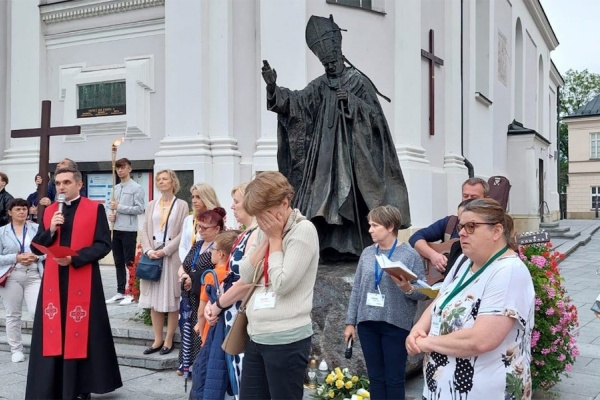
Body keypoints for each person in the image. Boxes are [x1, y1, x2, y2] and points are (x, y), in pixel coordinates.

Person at [261, 15, 410, 260]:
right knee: (322, 199)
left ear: (339, 53)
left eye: (332, 61)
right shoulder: (321, 84)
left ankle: (354, 247)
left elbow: (376, 119)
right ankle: (326, 246)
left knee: (350, 198)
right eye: (325, 63)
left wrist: (351, 102)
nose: (329, 67)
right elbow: (298, 103)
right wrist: (273, 88)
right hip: (323, 158)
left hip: (352, 158)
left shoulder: (357, 81)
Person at [406, 198, 535, 400]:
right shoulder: (464, 262)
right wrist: (418, 329)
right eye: (461, 226)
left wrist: (427, 342)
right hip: (439, 391)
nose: (462, 232)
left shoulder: (508, 271)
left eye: (471, 226)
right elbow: (440, 299)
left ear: (497, 231)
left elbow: (482, 340)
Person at [25, 167, 122, 400]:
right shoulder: (49, 212)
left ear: (79, 185)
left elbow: (103, 245)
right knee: (54, 332)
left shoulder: (94, 208)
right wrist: (50, 229)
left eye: (66, 182)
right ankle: (52, 384)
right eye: (58, 183)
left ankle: (80, 386)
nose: (61, 186)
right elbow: (35, 246)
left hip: (83, 280)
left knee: (83, 333)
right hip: (53, 282)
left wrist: (74, 258)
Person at [238, 171, 319, 400]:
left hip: (286, 339)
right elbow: (245, 273)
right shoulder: (270, 231)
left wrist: (275, 240)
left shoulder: (303, 231)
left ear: (284, 203)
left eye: (265, 214)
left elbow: (282, 283)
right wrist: (268, 239)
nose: (261, 221)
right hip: (257, 337)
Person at [344, 205, 427, 400]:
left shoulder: (409, 255)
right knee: (375, 378)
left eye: (375, 225)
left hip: (395, 324)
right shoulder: (366, 253)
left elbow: (423, 294)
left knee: (394, 379)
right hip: (367, 323)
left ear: (390, 227)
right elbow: (357, 288)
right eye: (370, 225)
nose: (370, 230)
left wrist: (407, 288)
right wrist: (350, 322)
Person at [203, 183, 259, 396]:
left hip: (241, 314)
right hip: (231, 311)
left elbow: (246, 281)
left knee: (243, 374)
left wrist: (217, 305)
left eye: (237, 201)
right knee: (234, 374)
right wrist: (214, 301)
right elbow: (230, 275)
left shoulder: (256, 234)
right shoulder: (246, 233)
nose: (232, 207)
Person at [138, 169, 188, 356]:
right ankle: (157, 339)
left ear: (173, 182)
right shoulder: (152, 204)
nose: (161, 182)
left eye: (164, 179)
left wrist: (165, 250)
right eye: (158, 179)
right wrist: (149, 250)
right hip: (152, 256)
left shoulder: (181, 204)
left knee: (171, 300)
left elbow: (183, 232)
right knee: (154, 300)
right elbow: (144, 229)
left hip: (170, 256)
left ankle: (169, 340)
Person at [191, 229, 241, 400]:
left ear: (220, 253)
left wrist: (201, 326)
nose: (210, 251)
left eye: (213, 249)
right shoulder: (231, 274)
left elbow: (201, 310)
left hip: (211, 334)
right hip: (232, 335)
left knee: (205, 377)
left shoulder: (212, 276)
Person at [177, 207, 226, 375]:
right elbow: (182, 266)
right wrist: (184, 275)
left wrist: (193, 279)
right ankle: (186, 365)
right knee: (188, 329)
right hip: (189, 296)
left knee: (201, 331)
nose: (200, 231)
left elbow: (217, 270)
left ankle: (199, 367)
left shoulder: (219, 247)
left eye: (205, 228)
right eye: (198, 227)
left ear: (217, 229)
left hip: (204, 296)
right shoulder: (197, 245)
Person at [409, 177, 489, 274]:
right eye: (465, 196)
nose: (468, 200)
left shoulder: (490, 227)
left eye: (473, 197)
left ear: (486, 199)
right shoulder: (450, 222)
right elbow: (415, 237)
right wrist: (433, 256)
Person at [0, 198, 45, 363]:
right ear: (10, 212)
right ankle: (16, 349)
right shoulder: (2, 232)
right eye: (18, 209)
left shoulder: (37, 228)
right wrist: (16, 258)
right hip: (12, 275)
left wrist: (36, 257)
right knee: (13, 314)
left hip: (33, 274)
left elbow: (47, 250)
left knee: (37, 311)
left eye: (24, 209)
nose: (22, 212)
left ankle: (40, 346)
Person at [105, 158, 145, 305]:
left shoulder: (136, 188)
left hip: (129, 230)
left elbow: (140, 208)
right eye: (118, 168)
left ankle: (131, 292)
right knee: (118, 261)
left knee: (129, 262)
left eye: (123, 168)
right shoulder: (116, 188)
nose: (120, 170)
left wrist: (120, 207)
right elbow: (110, 206)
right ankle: (120, 291)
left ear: (130, 169)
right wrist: (111, 214)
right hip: (116, 228)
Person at [178, 182, 222, 263]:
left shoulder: (216, 220)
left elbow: (217, 245)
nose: (194, 201)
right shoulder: (188, 219)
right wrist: (186, 263)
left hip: (206, 264)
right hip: (187, 265)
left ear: (207, 198)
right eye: (193, 197)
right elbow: (182, 246)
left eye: (198, 197)